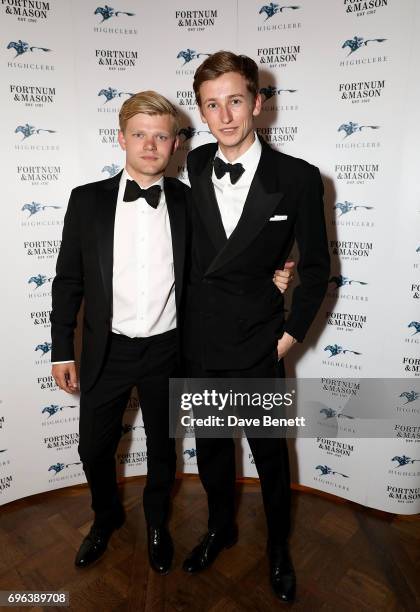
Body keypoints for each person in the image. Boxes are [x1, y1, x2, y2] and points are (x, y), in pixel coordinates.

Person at [50, 90, 293, 574]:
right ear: (121, 138)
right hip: (106, 350)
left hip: (170, 349)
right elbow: (68, 279)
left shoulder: (190, 201)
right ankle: (105, 518)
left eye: (161, 135)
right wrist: (61, 350)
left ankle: (157, 522)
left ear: (177, 144)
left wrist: (272, 276)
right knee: (93, 447)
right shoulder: (86, 200)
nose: (149, 145)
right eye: (139, 134)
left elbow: (230, 256)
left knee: (163, 449)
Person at [181, 51, 330, 602]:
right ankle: (220, 528)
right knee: (213, 449)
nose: (225, 116)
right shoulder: (192, 166)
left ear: (259, 104)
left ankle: (278, 548)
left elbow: (315, 270)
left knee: (269, 455)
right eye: (212, 105)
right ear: (201, 112)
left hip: (259, 343)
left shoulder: (297, 178)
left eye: (235, 101)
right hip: (200, 341)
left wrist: (288, 337)